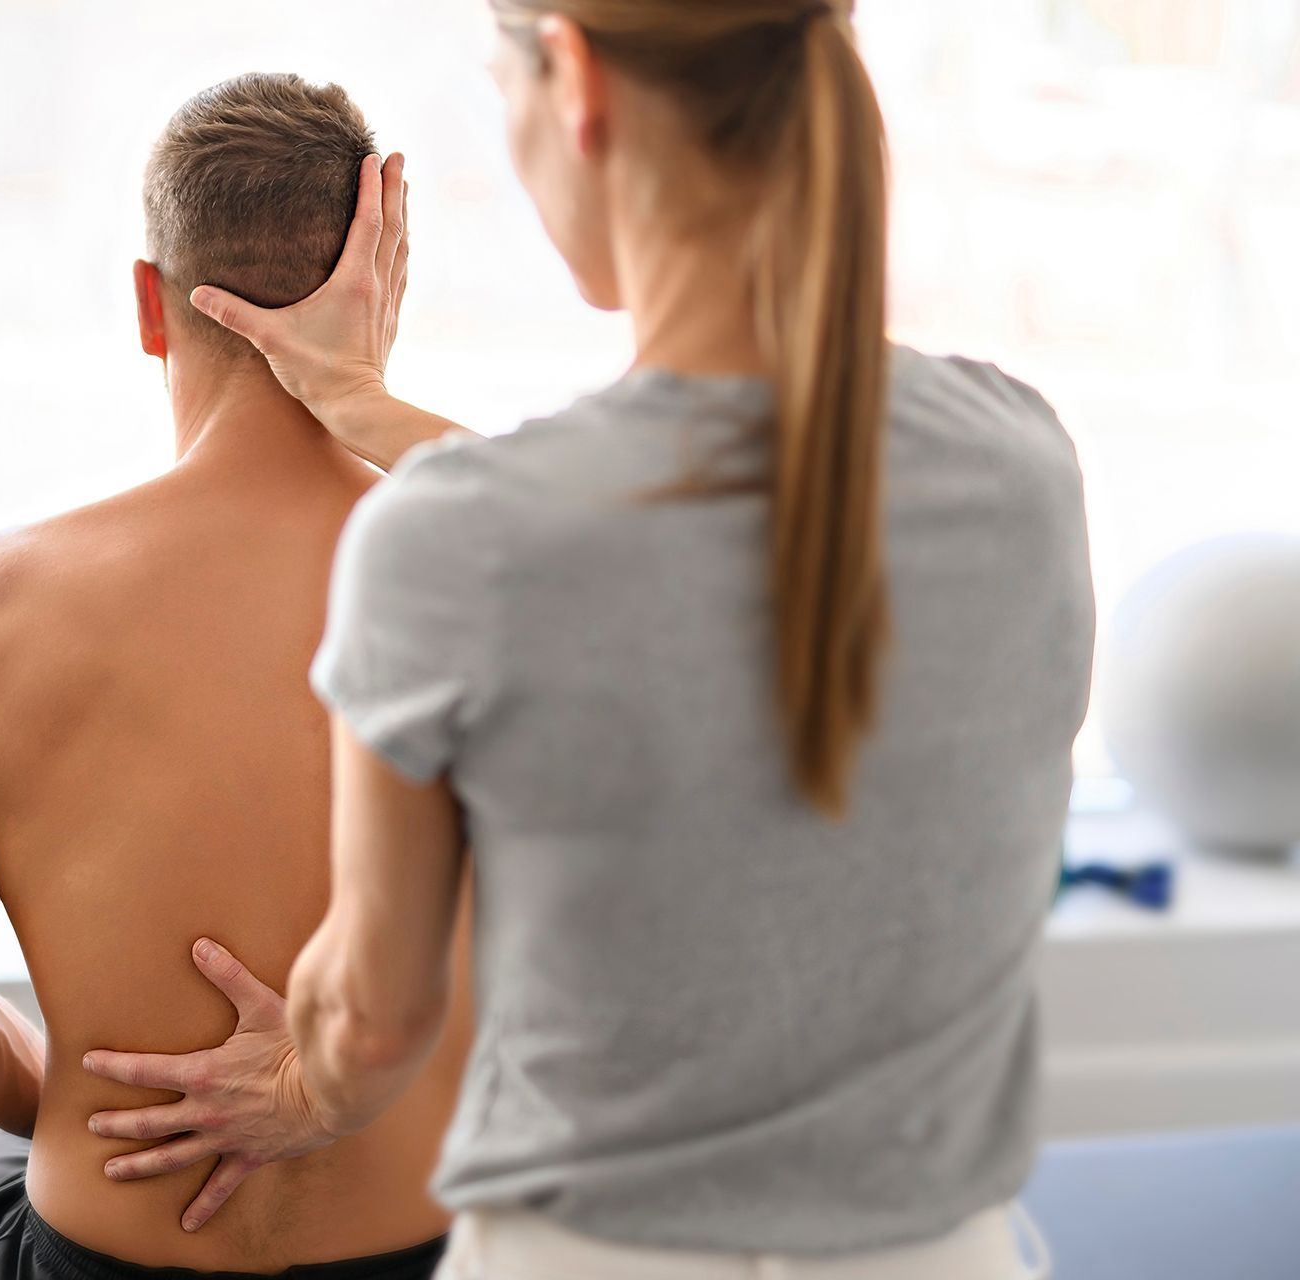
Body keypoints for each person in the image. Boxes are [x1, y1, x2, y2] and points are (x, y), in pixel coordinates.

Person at [83, 4, 1094, 1278]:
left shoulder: (459, 548)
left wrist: (297, 1084)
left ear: (573, 80)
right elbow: (686, 530)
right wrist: (360, 404)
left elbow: (375, 1027)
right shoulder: (1021, 460)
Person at [0, 74, 472, 1280]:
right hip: (423, 1256)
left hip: (109, 1258)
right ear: (383, 296)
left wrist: (133, 1125)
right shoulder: (504, 568)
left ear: (151, 303)